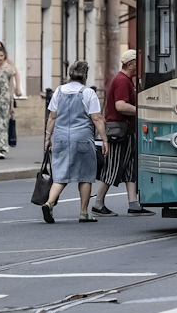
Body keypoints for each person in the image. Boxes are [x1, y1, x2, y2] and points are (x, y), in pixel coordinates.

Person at [41, 60, 108, 224]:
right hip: (82, 137)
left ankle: (49, 203)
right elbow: (97, 118)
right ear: (85, 76)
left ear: (70, 74)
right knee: (85, 175)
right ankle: (84, 213)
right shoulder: (88, 93)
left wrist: (48, 137)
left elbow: (52, 117)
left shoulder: (59, 91)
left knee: (60, 174)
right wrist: (104, 139)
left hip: (61, 136)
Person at [94, 50, 154, 217]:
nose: (139, 65)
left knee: (129, 168)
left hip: (127, 132)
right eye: (137, 62)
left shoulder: (126, 80)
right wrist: (141, 110)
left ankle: (133, 204)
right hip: (119, 133)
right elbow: (120, 106)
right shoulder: (122, 81)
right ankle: (98, 204)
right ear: (130, 64)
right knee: (112, 168)